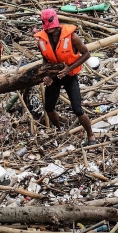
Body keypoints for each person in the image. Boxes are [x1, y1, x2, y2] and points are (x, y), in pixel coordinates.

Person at [33, 9, 96, 146]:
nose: (51, 33)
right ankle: (60, 130)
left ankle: (91, 136)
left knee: (77, 109)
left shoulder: (72, 37)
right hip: (55, 76)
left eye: (53, 30)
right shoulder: (42, 41)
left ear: (57, 25)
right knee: (49, 107)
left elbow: (86, 54)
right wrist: (46, 75)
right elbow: (45, 60)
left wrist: (69, 69)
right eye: (48, 31)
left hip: (70, 76)